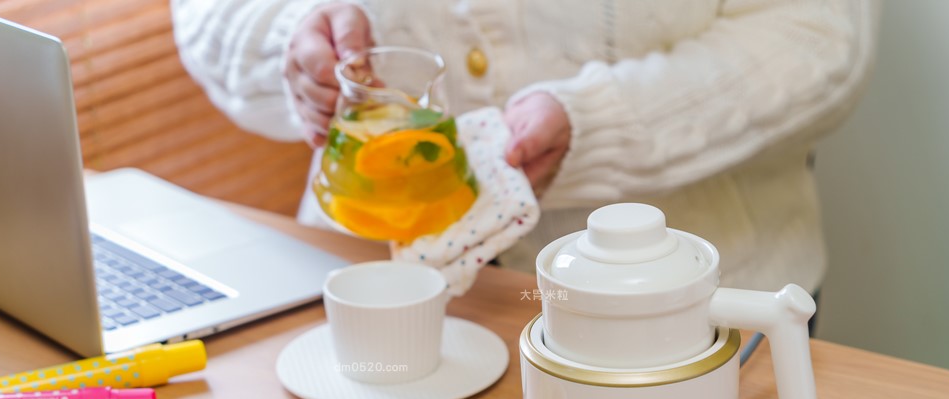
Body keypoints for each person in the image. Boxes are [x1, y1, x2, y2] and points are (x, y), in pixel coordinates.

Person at [170, 0, 879, 295]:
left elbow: (820, 38)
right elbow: (209, 16)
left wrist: (599, 124)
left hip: (694, 306)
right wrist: (292, 41)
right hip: (370, 295)